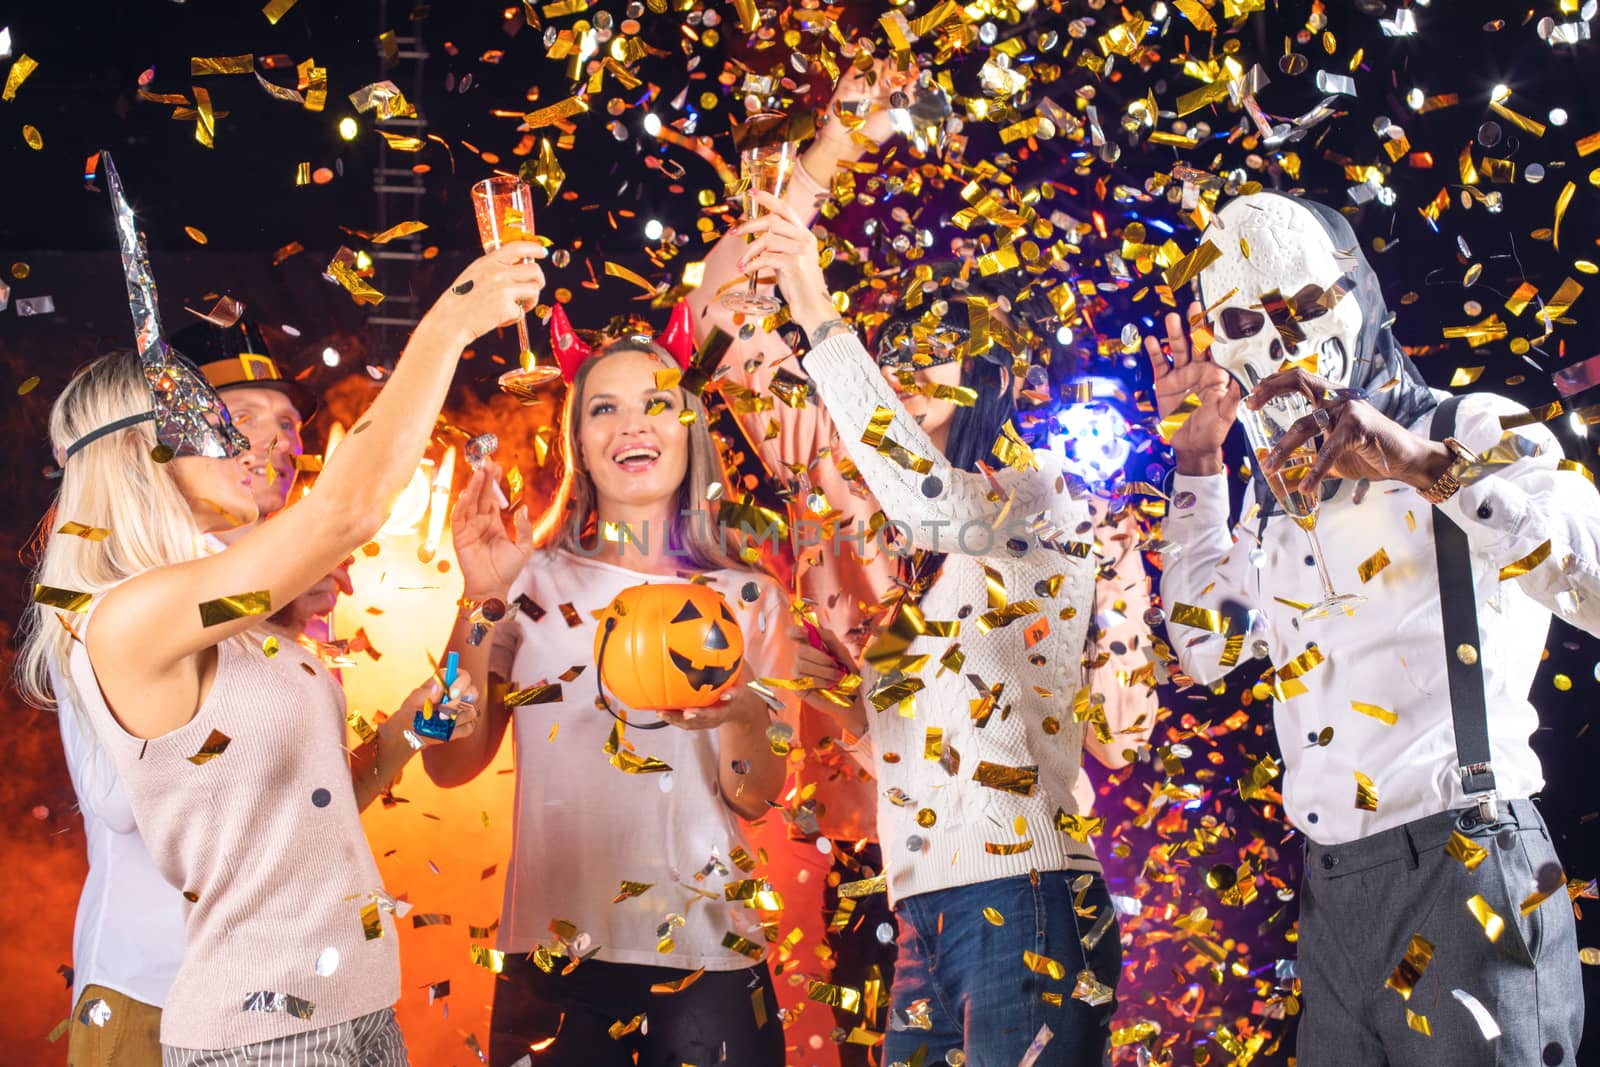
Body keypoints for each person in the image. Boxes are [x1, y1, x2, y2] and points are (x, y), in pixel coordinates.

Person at [16, 163, 543, 1065]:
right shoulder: (127, 616)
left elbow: (336, 783)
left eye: (276, 422)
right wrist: (453, 319)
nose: (259, 443)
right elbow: (345, 509)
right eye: (221, 424)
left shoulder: (262, 621)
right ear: (145, 459)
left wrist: (480, 605)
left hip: (349, 1007)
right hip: (197, 1005)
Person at [692, 74, 1158, 1059]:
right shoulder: (833, 468)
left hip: (1016, 888)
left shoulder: (1026, 506)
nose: (913, 358)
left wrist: (1124, 585)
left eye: (947, 344)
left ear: (986, 380)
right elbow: (728, 316)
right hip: (901, 876)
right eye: (900, 340)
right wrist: (824, 154)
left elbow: (1119, 732)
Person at [1149, 190, 1593, 1067]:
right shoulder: (1281, 504)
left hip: (1469, 863)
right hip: (1334, 889)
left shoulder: (1467, 427)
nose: (1277, 344)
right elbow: (1205, 647)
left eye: (1301, 307)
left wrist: (1425, 467)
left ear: (1357, 296)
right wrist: (1200, 461)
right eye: (1241, 320)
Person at [421, 324, 803, 1067]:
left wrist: (745, 712)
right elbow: (448, 766)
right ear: (579, 442)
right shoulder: (527, 581)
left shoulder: (750, 596)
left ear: (690, 427)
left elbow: (757, 796)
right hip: (552, 963)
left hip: (709, 961)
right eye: (603, 409)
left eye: (656, 402)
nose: (631, 424)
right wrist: (480, 600)